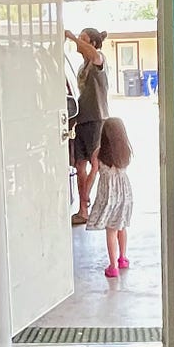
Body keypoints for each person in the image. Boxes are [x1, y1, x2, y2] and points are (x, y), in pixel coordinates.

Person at [67, 27, 109, 225]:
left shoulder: (98, 60)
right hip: (82, 120)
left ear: (92, 43)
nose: (78, 43)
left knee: (95, 162)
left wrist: (72, 37)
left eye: (84, 39)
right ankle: (83, 210)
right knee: (79, 164)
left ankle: (88, 203)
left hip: (96, 118)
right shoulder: (82, 67)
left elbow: (95, 55)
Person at [86, 117, 134, 278]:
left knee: (111, 231)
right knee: (122, 227)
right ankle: (123, 258)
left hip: (108, 198)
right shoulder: (125, 152)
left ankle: (113, 266)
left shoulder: (98, 154)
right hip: (125, 196)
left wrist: (85, 194)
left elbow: (92, 175)